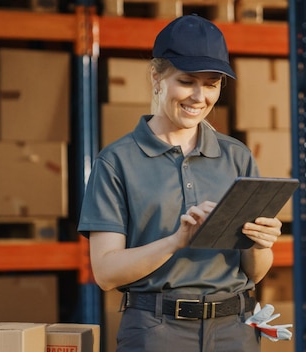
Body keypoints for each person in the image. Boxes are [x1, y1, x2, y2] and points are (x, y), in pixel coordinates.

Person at [77, 14, 286, 352]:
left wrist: (261, 244)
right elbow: (105, 272)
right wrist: (176, 241)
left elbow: (254, 273)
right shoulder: (117, 161)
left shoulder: (237, 157)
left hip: (234, 331)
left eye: (212, 84)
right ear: (157, 77)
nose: (199, 97)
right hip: (155, 331)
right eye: (187, 81)